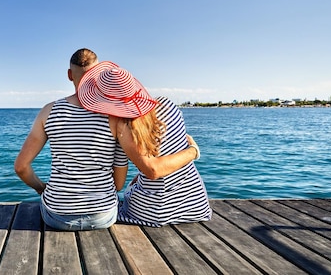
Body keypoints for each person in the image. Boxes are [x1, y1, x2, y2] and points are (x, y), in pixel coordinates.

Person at [14, 49, 199, 231]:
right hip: (102, 216)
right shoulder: (115, 117)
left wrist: (42, 189)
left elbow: (21, 167)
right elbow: (118, 185)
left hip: (57, 216)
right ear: (99, 76)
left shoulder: (48, 111)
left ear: (70, 75)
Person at [77, 61, 212, 227]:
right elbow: (166, 152)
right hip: (195, 205)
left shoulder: (123, 127)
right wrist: (192, 150)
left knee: (117, 202)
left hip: (154, 212)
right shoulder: (167, 104)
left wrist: (193, 152)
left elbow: (153, 170)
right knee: (134, 183)